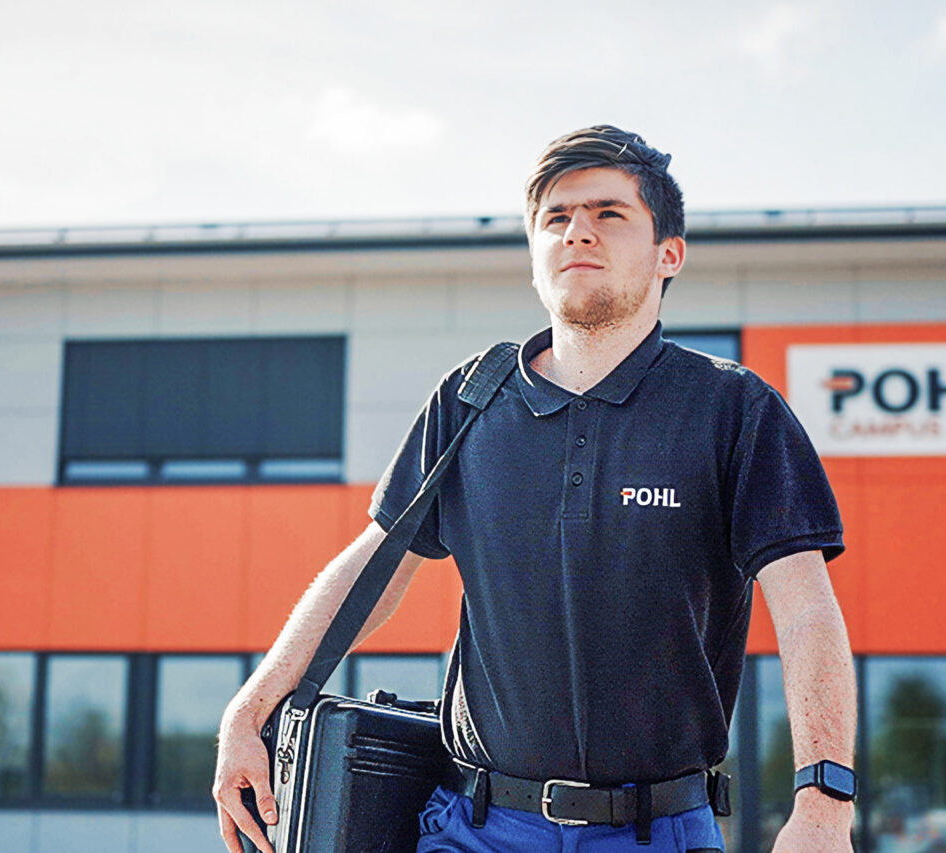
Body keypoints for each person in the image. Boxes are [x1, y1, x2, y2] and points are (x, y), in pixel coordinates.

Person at [213, 125, 857, 853]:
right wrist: (248, 710)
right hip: (474, 826)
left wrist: (825, 804)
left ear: (668, 253)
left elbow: (806, 609)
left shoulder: (734, 410)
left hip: (659, 832)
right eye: (556, 217)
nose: (578, 230)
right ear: (534, 257)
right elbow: (373, 568)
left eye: (609, 213)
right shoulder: (470, 401)